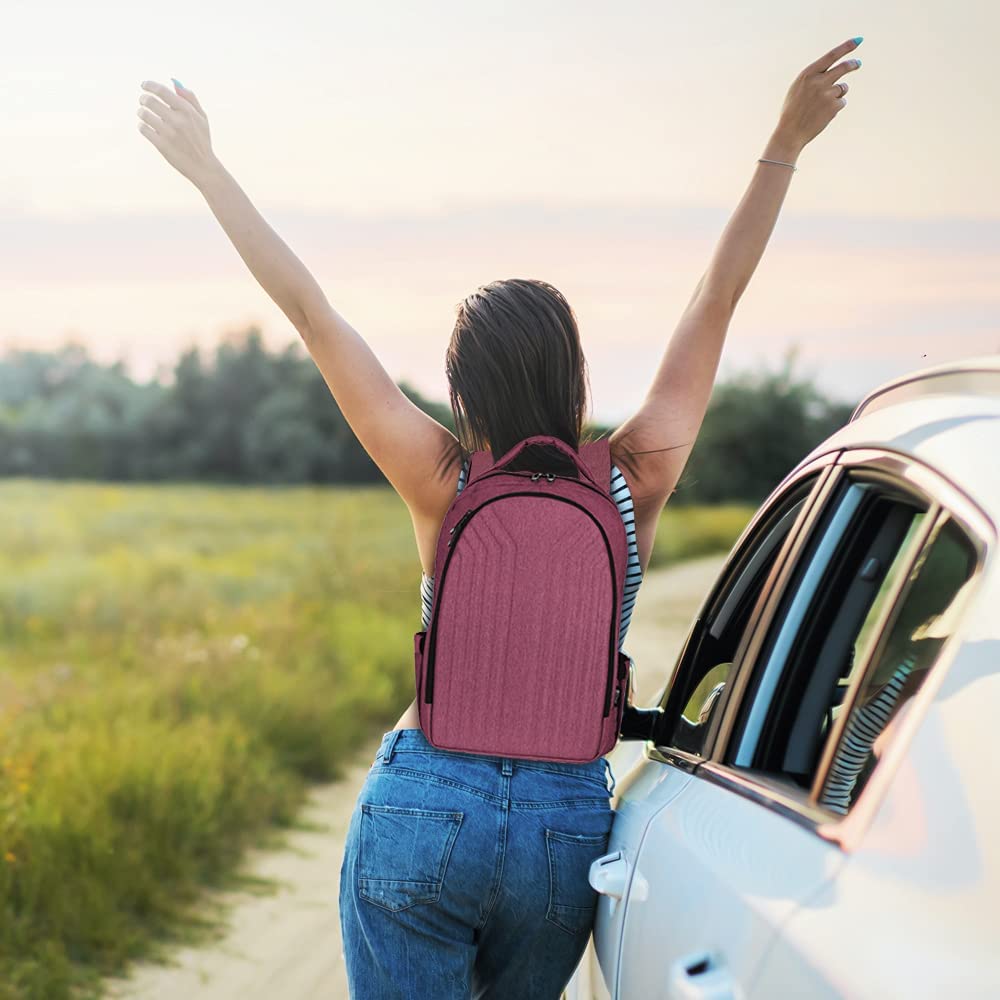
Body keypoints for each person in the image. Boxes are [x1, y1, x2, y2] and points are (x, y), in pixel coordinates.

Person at [137, 33, 863, 998]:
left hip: (424, 801)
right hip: (565, 826)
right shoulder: (633, 479)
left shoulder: (442, 479)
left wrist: (208, 171)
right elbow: (715, 300)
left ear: (462, 389)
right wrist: (785, 144)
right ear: (574, 377)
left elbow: (311, 313)